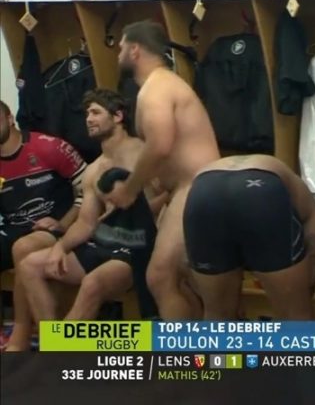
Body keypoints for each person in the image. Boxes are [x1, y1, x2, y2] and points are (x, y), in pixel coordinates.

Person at [18, 89, 164, 324]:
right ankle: (52, 338)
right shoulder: (94, 170)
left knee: (92, 283)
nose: (88, 119)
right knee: (30, 266)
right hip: (104, 241)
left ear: (117, 116)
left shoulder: (143, 154)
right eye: (87, 114)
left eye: (96, 112)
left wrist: (134, 210)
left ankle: (57, 346)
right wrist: (60, 247)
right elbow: (86, 223)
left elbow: (169, 195)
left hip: (138, 246)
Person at [106, 20, 221, 320]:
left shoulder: (156, 88)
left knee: (160, 276)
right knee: (188, 279)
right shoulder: (164, 84)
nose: (118, 54)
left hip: (195, 186)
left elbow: (160, 144)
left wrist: (129, 189)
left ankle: (180, 349)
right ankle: (199, 344)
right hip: (189, 188)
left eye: (121, 48)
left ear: (134, 50)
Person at [183, 154, 315, 320]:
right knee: (296, 315)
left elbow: (186, 256)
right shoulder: (301, 196)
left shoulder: (200, 178)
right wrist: (306, 292)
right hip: (260, 192)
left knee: (217, 316)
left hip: (204, 190)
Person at [1, 100, 86, 351]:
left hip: (54, 227)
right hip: (13, 226)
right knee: (17, 243)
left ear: (9, 119)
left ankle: (21, 334)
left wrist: (64, 223)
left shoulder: (48, 146)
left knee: (23, 247)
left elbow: (89, 190)